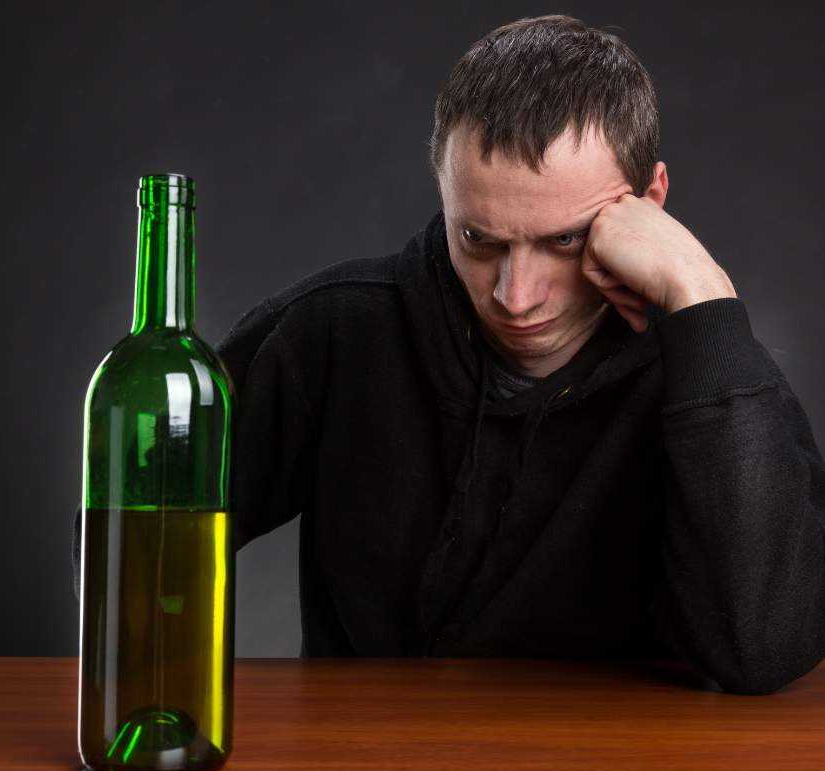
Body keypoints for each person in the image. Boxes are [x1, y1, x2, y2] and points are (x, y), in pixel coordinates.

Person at [77, 16, 825, 694]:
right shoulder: (331, 331)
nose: (515, 294)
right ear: (444, 192)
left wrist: (700, 291)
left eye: (564, 239)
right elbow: (130, 561)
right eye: (480, 239)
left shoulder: (709, 373)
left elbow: (761, 650)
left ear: (649, 205)